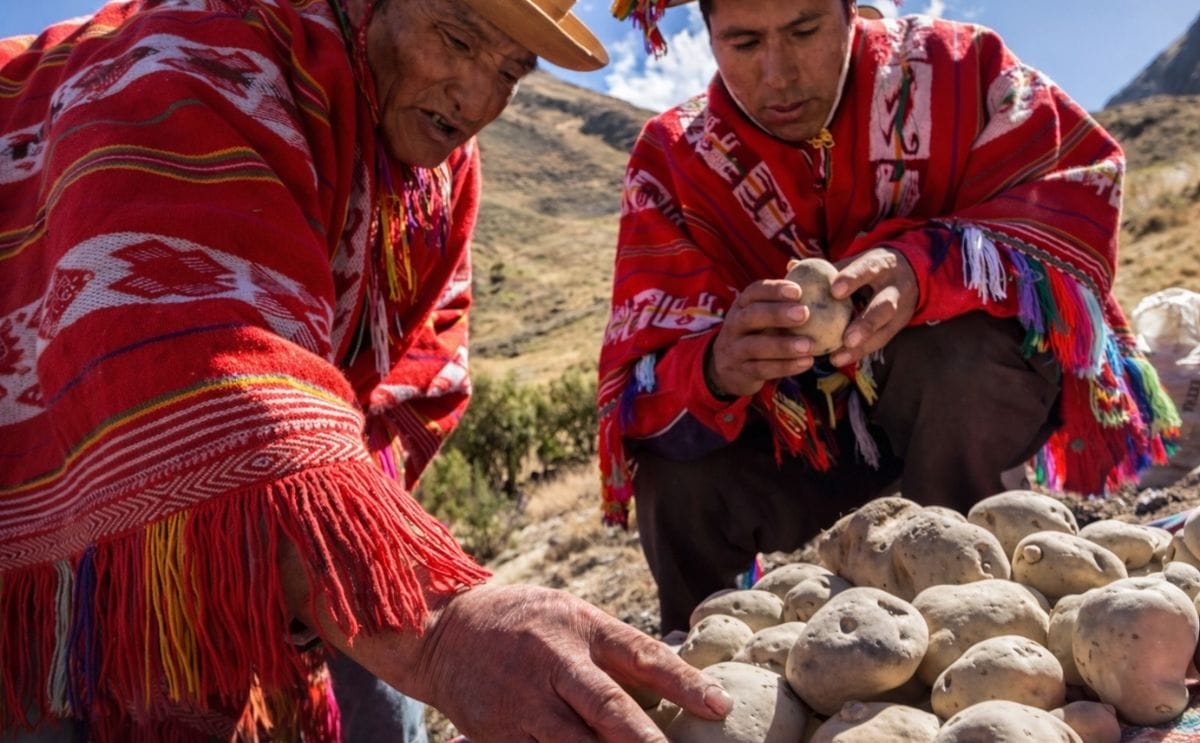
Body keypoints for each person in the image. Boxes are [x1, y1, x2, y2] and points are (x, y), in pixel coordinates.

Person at [0, 0, 735, 740]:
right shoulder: (201, 57)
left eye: (511, 71)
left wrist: (373, 566)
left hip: (301, 484)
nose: (478, 100)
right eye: (455, 39)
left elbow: (417, 374)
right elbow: (185, 357)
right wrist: (439, 627)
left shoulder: (438, 174)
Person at [600, 0, 1182, 634]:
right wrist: (715, 367)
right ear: (707, 34)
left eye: (804, 30)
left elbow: (1080, 182)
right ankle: (707, 667)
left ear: (851, 11)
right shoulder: (673, 160)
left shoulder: (963, 70)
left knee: (957, 358)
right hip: (802, 441)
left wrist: (927, 266)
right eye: (743, 43)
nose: (779, 75)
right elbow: (641, 379)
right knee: (675, 474)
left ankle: (973, 608)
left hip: (951, 407)